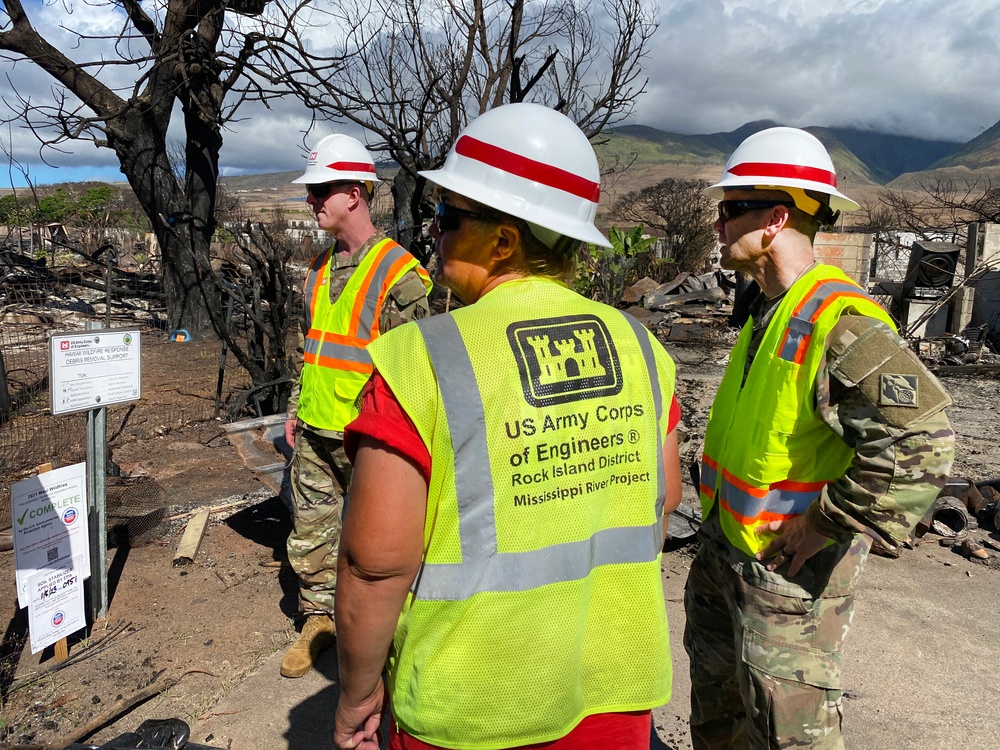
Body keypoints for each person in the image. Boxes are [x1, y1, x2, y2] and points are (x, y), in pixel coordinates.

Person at [331, 102, 684, 750]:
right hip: (614, 702)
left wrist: (357, 694)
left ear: (503, 240)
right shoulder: (642, 349)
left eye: (448, 217)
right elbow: (661, 506)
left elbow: (374, 564)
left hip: (468, 715)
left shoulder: (421, 360)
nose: (432, 232)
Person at [684, 126, 955, 749]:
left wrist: (826, 523)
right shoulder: (771, 308)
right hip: (730, 557)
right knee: (724, 723)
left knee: (787, 735)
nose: (719, 224)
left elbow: (925, 441)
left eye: (731, 210)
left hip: (788, 580)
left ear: (777, 218)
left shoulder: (839, 319)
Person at [280, 134, 432, 679]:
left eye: (321, 189)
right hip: (318, 430)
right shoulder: (318, 270)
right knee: (312, 531)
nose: (311, 200)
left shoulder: (400, 274)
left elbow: (415, 372)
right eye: (311, 191)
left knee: (382, 545)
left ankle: (396, 637)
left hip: (372, 438)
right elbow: (312, 347)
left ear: (355, 192)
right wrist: (297, 407)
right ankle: (319, 621)